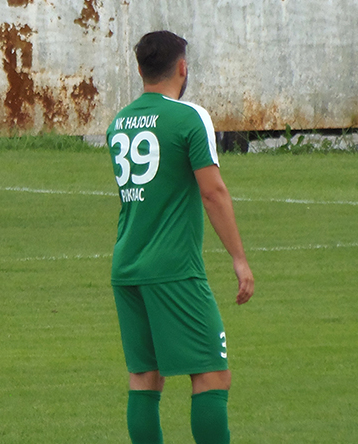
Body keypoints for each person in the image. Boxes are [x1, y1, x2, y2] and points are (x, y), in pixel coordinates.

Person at [106, 31, 255, 444]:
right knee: (212, 373)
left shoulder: (119, 122)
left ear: (140, 70)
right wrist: (239, 259)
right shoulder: (190, 118)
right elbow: (212, 192)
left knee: (145, 378)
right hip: (173, 268)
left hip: (127, 265)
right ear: (183, 68)